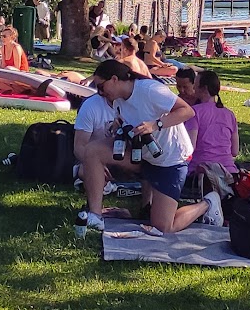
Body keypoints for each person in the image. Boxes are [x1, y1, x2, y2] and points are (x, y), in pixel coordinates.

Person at [72, 59, 211, 232]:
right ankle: (95, 216)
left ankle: (208, 203)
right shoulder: (117, 99)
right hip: (142, 155)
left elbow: (187, 111)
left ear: (114, 79)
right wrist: (119, 125)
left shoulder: (150, 90)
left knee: (163, 227)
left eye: (101, 86)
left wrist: (155, 125)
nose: (99, 92)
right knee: (92, 151)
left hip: (169, 159)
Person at [186, 69, 239, 175]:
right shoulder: (230, 114)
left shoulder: (194, 112)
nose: (193, 88)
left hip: (200, 173)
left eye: (195, 85)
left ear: (204, 88)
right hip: (229, 173)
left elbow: (189, 148)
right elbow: (235, 151)